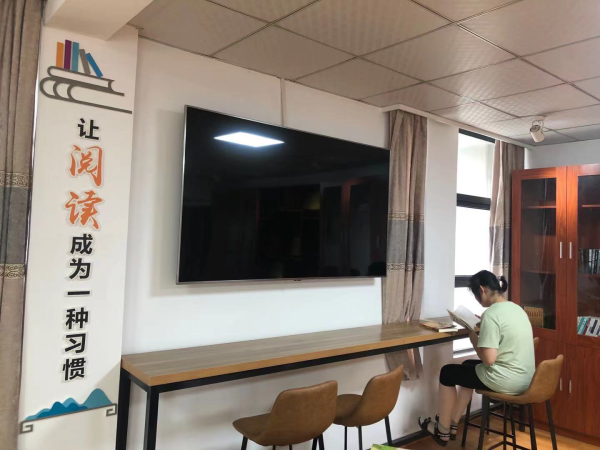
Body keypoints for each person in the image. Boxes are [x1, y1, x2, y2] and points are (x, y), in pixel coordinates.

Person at [418, 270, 535, 446]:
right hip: (526, 379)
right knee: (467, 365)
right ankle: (453, 423)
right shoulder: (516, 308)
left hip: (507, 381)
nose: (477, 299)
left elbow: (489, 360)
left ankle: (442, 430)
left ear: (482, 289)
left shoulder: (492, 315)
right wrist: (484, 327)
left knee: (447, 372)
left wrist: (474, 339)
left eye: (475, 295)